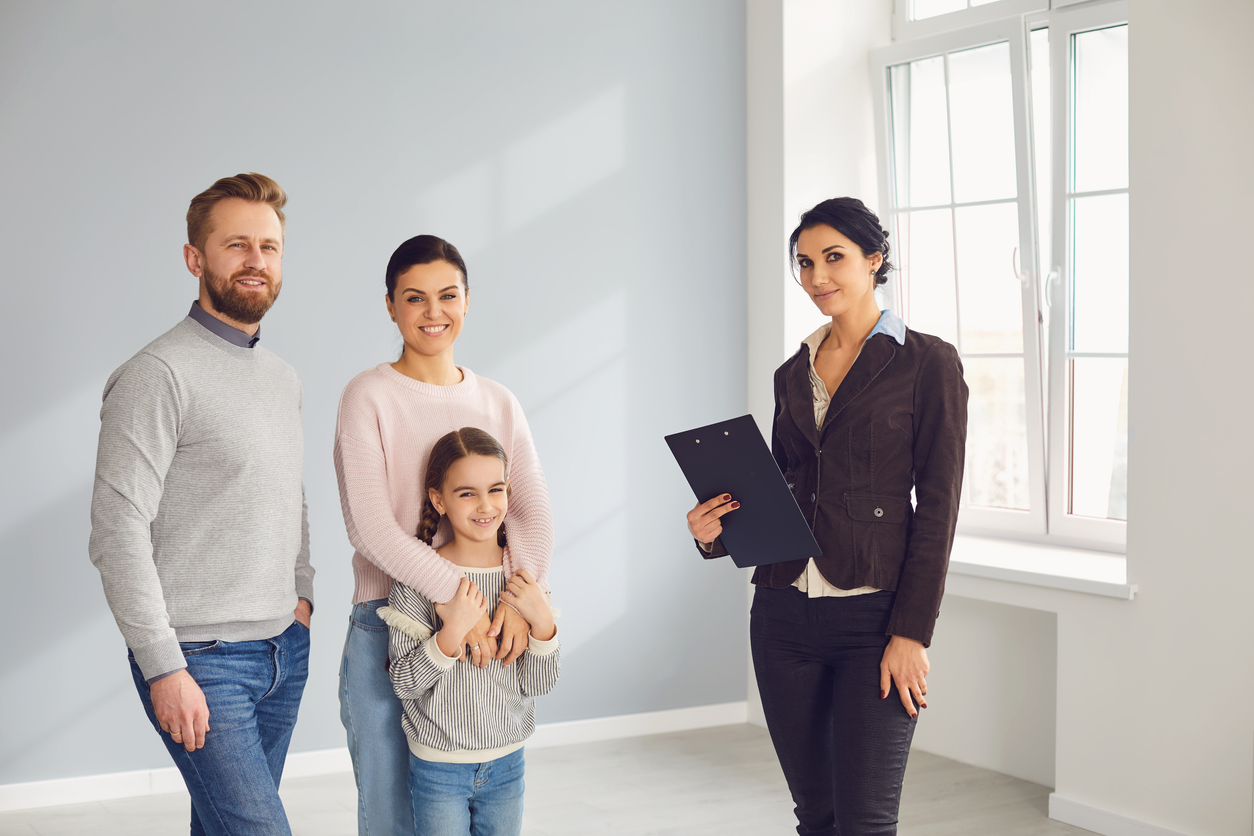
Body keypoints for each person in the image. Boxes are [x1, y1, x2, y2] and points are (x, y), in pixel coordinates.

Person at [686, 197, 968, 836]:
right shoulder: (792, 373)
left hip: (874, 621)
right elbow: (783, 491)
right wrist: (714, 534)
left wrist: (912, 633)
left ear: (875, 259)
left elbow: (939, 508)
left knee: (865, 822)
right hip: (782, 617)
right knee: (816, 816)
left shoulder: (928, 363)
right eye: (806, 263)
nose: (817, 277)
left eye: (833, 258)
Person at [88, 172, 314, 836]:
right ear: (196, 258)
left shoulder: (282, 377)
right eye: (237, 245)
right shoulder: (156, 376)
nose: (256, 261)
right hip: (201, 659)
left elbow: (289, 494)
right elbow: (116, 530)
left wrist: (301, 597)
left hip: (283, 650)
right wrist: (164, 667)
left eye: (269, 247)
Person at [334, 235, 554, 836]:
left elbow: (530, 509)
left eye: (448, 296)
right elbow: (370, 525)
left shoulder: (497, 400)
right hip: (392, 621)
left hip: (490, 611)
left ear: (466, 300)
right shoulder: (368, 396)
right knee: (391, 814)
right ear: (390, 306)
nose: (434, 313)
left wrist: (512, 598)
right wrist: (461, 600)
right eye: (415, 298)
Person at [378, 427, 559, 836]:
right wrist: (449, 634)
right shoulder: (418, 580)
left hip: (509, 762)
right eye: (466, 493)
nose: (485, 506)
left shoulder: (525, 580)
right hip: (438, 767)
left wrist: (543, 623)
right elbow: (404, 683)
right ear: (438, 500)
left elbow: (539, 682)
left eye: (495, 490)